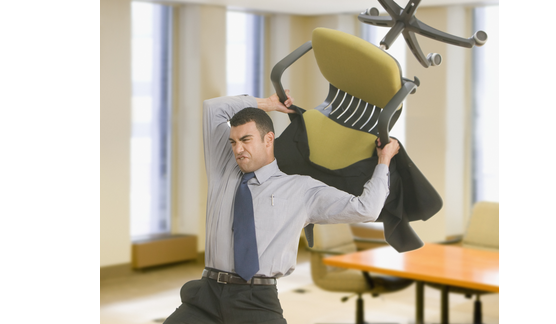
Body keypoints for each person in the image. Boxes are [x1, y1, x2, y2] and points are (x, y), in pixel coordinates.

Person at [164, 91, 400, 324]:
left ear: (268, 139)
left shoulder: (301, 189)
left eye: (246, 140)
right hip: (206, 294)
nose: (237, 150)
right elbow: (212, 108)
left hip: (255, 299)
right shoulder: (223, 169)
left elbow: (366, 208)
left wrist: (384, 160)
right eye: (233, 142)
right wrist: (266, 104)